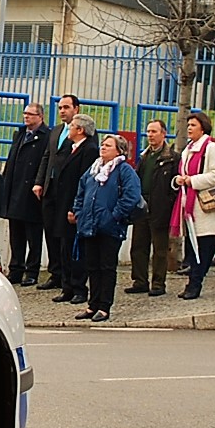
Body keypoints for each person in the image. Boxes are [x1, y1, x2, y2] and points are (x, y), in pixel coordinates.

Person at [72, 132, 142, 323]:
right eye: (102, 145)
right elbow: (81, 192)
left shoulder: (124, 170)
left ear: (119, 150)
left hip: (110, 227)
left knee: (107, 267)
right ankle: (92, 304)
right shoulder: (94, 169)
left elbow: (131, 196)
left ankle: (104, 307)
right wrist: (79, 212)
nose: (103, 148)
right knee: (92, 267)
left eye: (108, 146)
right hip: (89, 225)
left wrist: (114, 216)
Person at [36, 100, 99, 300]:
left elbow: (84, 181)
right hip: (59, 201)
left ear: (80, 130)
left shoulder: (89, 149)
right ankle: (67, 287)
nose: (69, 128)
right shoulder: (69, 146)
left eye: (72, 126)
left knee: (75, 249)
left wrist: (75, 207)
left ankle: (79, 288)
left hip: (73, 205)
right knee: (63, 245)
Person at [170, 110, 215, 300]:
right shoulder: (189, 148)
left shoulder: (211, 147)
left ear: (203, 127)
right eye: (188, 125)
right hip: (189, 204)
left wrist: (191, 180)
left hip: (205, 206)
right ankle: (192, 282)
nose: (189, 129)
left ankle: (196, 283)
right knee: (193, 247)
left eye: (193, 125)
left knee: (203, 248)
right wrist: (180, 179)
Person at [32, 95, 85, 291]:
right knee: (50, 230)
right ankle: (55, 273)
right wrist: (39, 181)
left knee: (64, 233)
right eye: (60, 107)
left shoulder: (84, 132)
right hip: (50, 186)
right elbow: (47, 156)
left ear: (76, 109)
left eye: (66, 107)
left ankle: (67, 274)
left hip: (67, 190)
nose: (62, 111)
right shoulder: (55, 131)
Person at [127, 119, 180, 295]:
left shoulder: (172, 158)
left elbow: (175, 184)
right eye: (148, 131)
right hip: (143, 205)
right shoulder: (144, 156)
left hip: (161, 207)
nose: (150, 135)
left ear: (163, 134)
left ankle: (158, 284)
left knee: (160, 249)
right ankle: (139, 281)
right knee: (138, 246)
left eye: (154, 131)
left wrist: (168, 202)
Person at [3, 103, 52, 285]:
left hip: (32, 191)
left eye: (30, 114)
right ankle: (16, 268)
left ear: (40, 116)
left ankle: (32, 271)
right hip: (15, 189)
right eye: (25, 114)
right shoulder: (20, 134)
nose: (26, 117)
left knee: (33, 235)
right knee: (16, 235)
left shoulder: (46, 136)